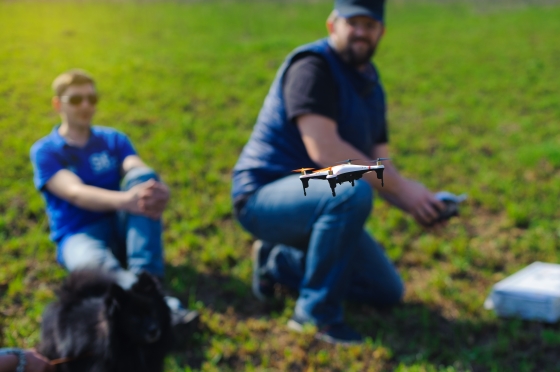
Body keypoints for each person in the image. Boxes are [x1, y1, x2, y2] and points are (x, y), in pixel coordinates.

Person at [232, 0, 446, 344]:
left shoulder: (372, 88)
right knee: (350, 188)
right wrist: (403, 188)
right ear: (333, 24)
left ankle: (279, 263)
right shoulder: (312, 67)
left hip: (316, 197)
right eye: (353, 22)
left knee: (385, 289)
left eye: (370, 24)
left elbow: (380, 168)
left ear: (381, 32)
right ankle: (316, 316)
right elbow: (327, 152)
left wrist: (418, 204)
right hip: (263, 196)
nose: (361, 31)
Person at [30, 69, 198, 328]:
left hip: (120, 226)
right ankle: (159, 305)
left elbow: (137, 169)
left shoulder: (112, 139)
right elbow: (75, 192)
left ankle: (146, 276)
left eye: (91, 99)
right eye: (76, 100)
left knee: (145, 179)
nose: (85, 106)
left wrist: (157, 187)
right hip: (78, 234)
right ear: (57, 104)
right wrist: (126, 200)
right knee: (99, 270)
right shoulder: (46, 150)